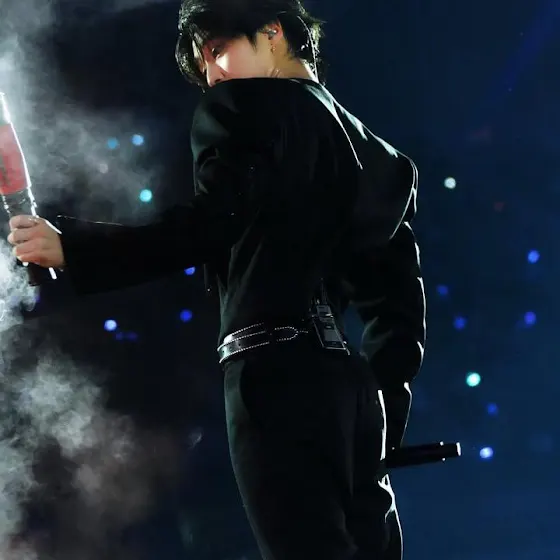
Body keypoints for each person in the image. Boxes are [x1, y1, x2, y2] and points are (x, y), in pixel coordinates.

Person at [7, 0, 426, 558]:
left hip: (273, 376)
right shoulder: (385, 162)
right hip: (353, 392)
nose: (212, 77)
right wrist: (379, 418)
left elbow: (210, 224)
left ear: (273, 32)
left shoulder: (244, 106)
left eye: (218, 50)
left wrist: (75, 248)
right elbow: (398, 313)